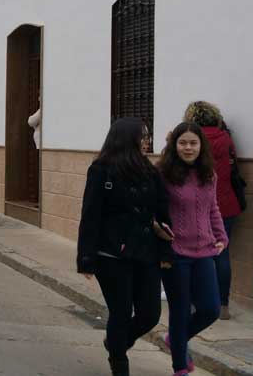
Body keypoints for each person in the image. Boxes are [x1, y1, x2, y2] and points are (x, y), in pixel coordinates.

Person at [77, 118, 170, 376]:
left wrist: (166, 249)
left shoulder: (151, 172)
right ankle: (119, 364)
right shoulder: (101, 170)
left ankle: (116, 343)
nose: (147, 142)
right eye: (143, 136)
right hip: (111, 255)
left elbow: (163, 213)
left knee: (150, 314)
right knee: (120, 311)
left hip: (146, 253)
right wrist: (86, 258)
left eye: (148, 136)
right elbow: (90, 215)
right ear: (127, 139)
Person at [158, 122, 227, 376]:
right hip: (175, 253)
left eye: (193, 143)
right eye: (183, 143)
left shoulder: (209, 174)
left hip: (204, 252)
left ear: (201, 145)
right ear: (175, 145)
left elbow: (213, 208)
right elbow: (155, 209)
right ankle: (180, 368)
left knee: (210, 309)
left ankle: (175, 339)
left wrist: (221, 235)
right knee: (180, 310)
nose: (188, 148)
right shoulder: (164, 174)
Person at [183, 101, 241, 320]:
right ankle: (223, 306)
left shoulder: (193, 140)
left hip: (199, 206)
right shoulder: (226, 139)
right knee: (222, 254)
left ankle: (194, 303)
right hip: (227, 204)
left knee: (193, 254)